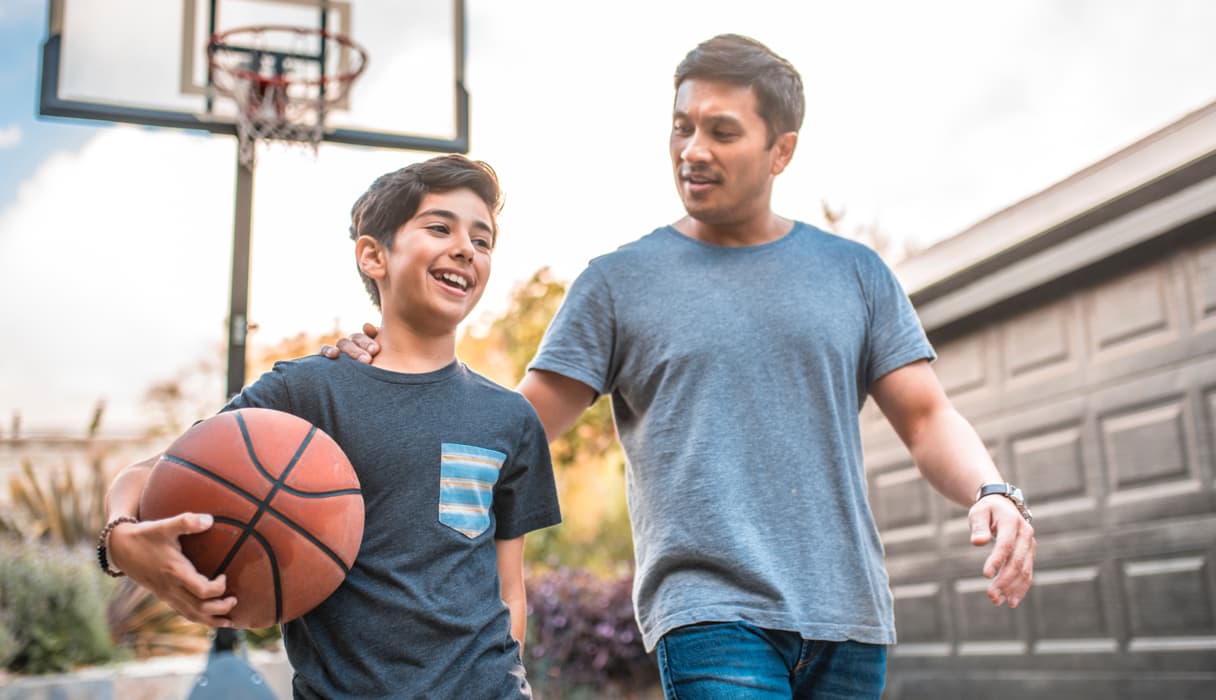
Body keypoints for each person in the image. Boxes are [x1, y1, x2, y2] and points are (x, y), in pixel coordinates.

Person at [326, 34, 1036, 699]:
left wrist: (991, 490)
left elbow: (926, 417)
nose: (692, 149)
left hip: (848, 618)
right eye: (681, 126)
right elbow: (509, 428)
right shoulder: (618, 283)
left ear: (780, 149)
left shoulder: (855, 274)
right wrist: (386, 371)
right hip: (708, 615)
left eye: (722, 131)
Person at [100, 155, 562, 699]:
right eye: (440, 227)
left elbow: (510, 587)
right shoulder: (307, 392)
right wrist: (121, 540)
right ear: (373, 255)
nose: (466, 248)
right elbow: (148, 475)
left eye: (482, 241)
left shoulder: (508, 418)